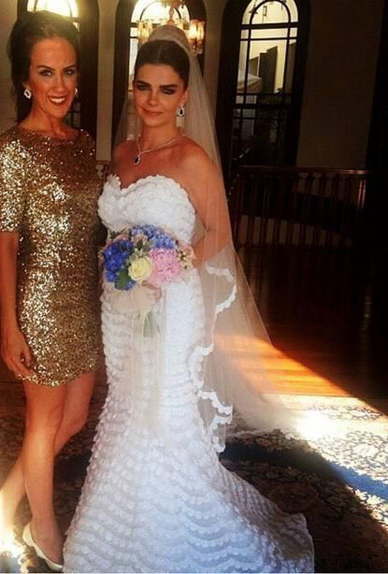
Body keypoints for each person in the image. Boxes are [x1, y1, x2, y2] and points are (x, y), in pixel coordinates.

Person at [63, 25, 314, 572]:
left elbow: (219, 232)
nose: (152, 100)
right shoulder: (122, 153)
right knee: (126, 401)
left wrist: (168, 264)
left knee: (160, 409)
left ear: (183, 95)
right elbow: (116, 225)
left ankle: (167, 528)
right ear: (132, 88)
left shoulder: (192, 158)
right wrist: (121, 261)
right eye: (143, 87)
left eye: (166, 89)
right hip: (119, 305)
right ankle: (115, 520)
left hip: (171, 303)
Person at [0, 11, 102, 571]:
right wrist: (10, 325)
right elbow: (6, 244)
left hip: (85, 299)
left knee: (74, 417)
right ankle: (43, 527)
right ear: (25, 79)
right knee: (43, 422)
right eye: (47, 73)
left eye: (68, 71)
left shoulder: (83, 144)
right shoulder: (12, 149)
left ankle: (6, 500)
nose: (60, 86)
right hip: (41, 305)